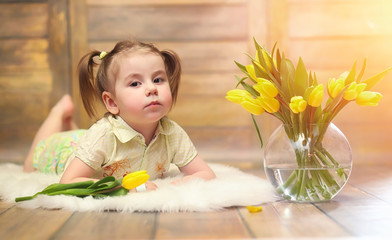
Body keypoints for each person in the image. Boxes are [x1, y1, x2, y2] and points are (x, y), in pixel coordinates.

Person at [23, 40, 216, 192]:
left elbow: (206, 173)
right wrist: (127, 187)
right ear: (112, 103)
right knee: (30, 164)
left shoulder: (172, 133)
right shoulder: (103, 135)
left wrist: (181, 185)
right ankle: (58, 113)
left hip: (89, 144)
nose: (151, 88)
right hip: (63, 151)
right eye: (135, 84)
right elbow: (68, 181)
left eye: (158, 79)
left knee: (86, 140)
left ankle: (69, 122)